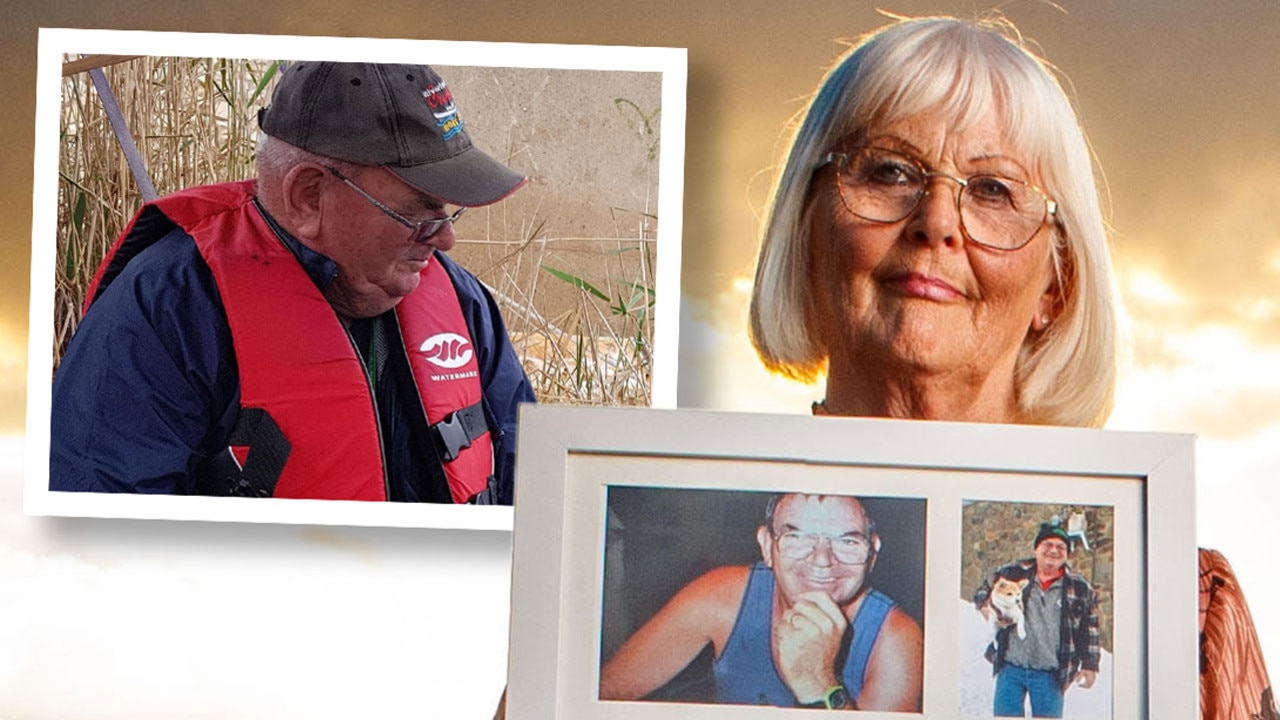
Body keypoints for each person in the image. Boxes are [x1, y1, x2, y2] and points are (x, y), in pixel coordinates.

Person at [747, 14, 1274, 720]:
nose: (937, 220)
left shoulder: (1182, 610)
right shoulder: (595, 540)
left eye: (992, 189)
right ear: (809, 235)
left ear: (1054, 286)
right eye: (890, 170)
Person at [49, 62, 535, 504]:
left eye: (450, 212)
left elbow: (533, 489)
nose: (445, 239)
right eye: (417, 212)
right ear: (308, 195)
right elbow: (98, 545)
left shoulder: (463, 302)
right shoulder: (168, 309)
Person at [598, 493, 923, 710]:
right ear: (767, 546)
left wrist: (818, 684)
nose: (822, 560)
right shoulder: (722, 595)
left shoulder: (896, 640)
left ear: (872, 553)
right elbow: (604, 692)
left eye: (848, 540)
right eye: (796, 536)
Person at [973, 521, 1099, 717]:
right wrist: (986, 606)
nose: (1054, 551)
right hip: (1010, 668)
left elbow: (1090, 627)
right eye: (1047, 545)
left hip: (1050, 674)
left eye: (1061, 547)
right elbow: (983, 590)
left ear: (1067, 554)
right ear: (1036, 549)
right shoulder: (1013, 572)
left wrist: (1090, 665)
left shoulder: (1080, 587)